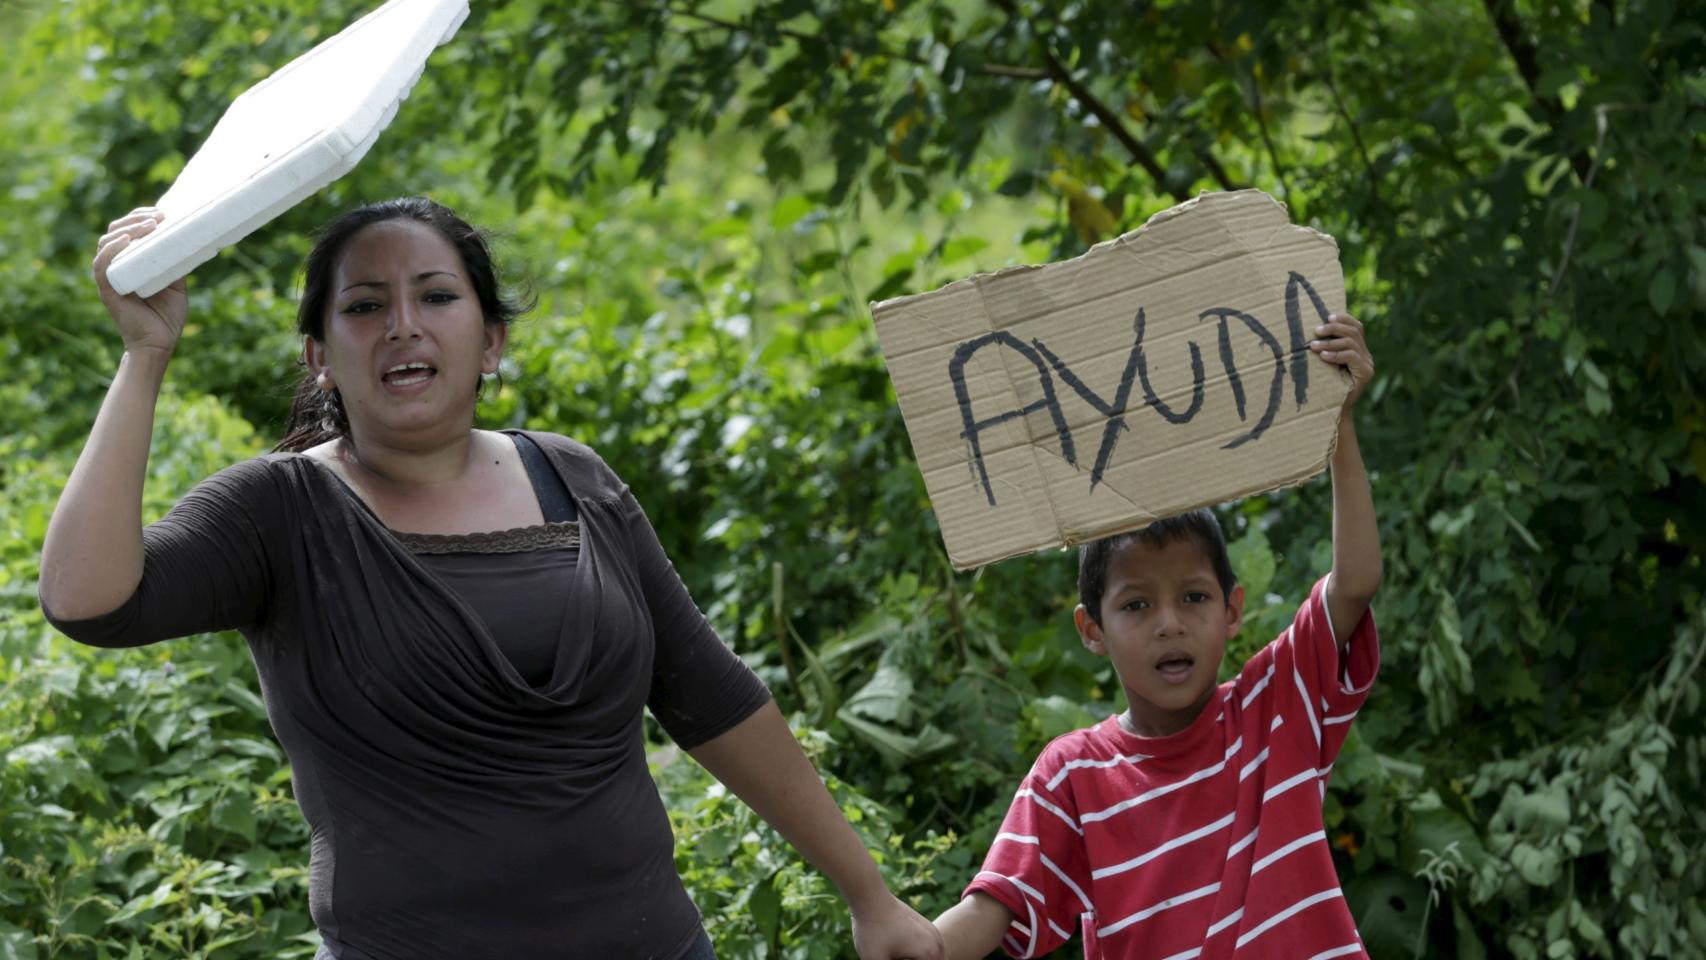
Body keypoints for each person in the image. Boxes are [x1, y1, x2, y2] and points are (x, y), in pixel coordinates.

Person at [40, 199, 946, 960]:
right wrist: (145, 355)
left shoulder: (574, 479)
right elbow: (87, 601)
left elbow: (710, 696)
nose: (402, 323)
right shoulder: (281, 513)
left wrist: (868, 893)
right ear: (320, 354)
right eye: (363, 306)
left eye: (436, 295)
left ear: (491, 340)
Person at [931, 314, 1382, 959]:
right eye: (1137, 604)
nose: (1170, 622)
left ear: (1232, 610)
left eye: (1193, 598)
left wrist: (1337, 421)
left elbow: (1356, 581)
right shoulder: (1073, 775)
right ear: (1092, 630)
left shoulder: (1277, 705)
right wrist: (914, 945)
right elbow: (990, 910)